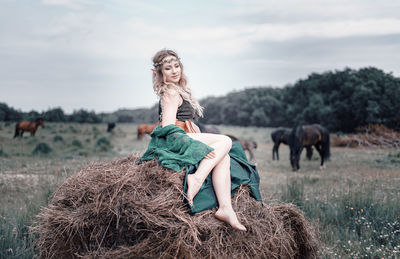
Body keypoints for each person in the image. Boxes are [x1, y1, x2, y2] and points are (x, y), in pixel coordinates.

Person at [139, 49, 261, 232]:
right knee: (226, 141)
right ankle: (196, 179)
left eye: (176, 66)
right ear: (160, 73)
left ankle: (225, 208)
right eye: (167, 68)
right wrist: (189, 140)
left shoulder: (179, 90)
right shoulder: (170, 92)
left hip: (185, 134)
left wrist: (191, 127)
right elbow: (168, 127)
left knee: (224, 156)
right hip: (176, 138)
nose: (174, 70)